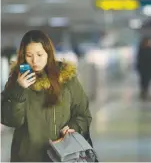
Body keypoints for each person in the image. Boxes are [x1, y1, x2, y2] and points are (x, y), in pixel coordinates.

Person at [1, 30, 92, 162]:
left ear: (48, 54)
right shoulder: (16, 81)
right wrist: (20, 89)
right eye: (29, 55)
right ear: (23, 56)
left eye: (39, 55)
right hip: (27, 157)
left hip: (63, 156)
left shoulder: (66, 79)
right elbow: (11, 120)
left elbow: (83, 114)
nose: (35, 61)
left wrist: (73, 127)